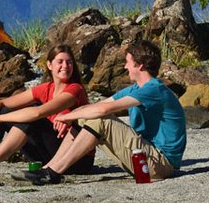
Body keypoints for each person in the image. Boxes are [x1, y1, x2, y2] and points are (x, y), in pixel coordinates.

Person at [25, 38, 185, 186]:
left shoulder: (154, 89)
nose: (125, 67)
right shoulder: (136, 89)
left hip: (160, 163)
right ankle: (50, 168)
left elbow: (104, 110)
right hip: (143, 158)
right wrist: (73, 117)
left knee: (101, 119)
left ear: (140, 65)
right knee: (85, 117)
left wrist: (66, 116)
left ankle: (53, 172)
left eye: (128, 62)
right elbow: (97, 105)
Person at [0, 44, 93, 181]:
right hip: (52, 151)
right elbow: (4, 103)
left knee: (30, 119)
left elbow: (37, 113)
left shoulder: (75, 89)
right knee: (5, 111)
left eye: (69, 63)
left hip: (75, 159)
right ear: (49, 65)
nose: (65, 66)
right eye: (60, 62)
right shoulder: (46, 88)